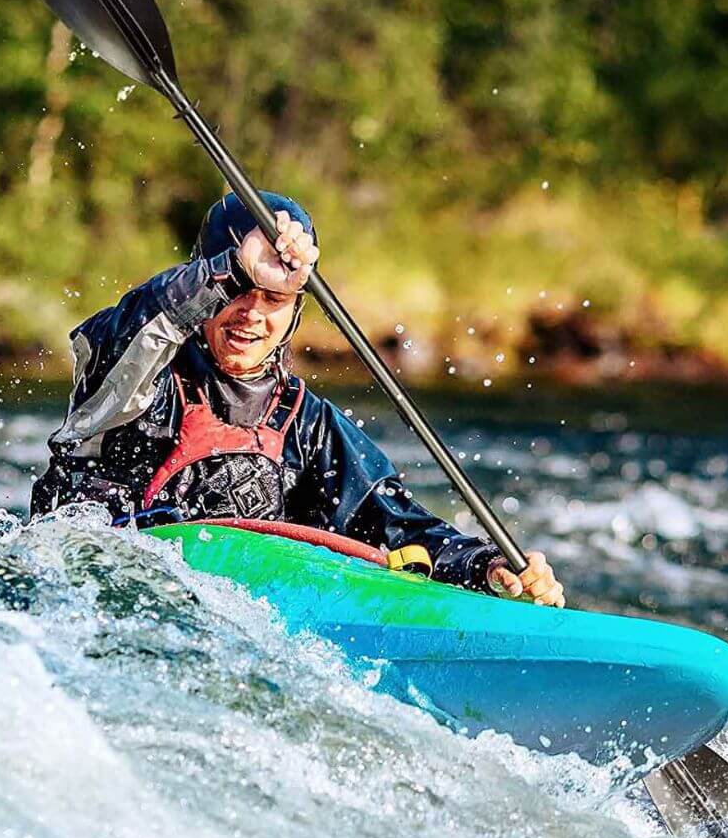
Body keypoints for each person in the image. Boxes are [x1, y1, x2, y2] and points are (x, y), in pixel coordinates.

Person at [32, 191, 565, 605]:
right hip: (98, 594)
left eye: (274, 299)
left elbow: (397, 526)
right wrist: (236, 268)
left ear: (295, 311)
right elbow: (126, 334)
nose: (252, 314)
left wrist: (487, 566)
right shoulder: (136, 377)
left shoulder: (308, 424)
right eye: (239, 293)